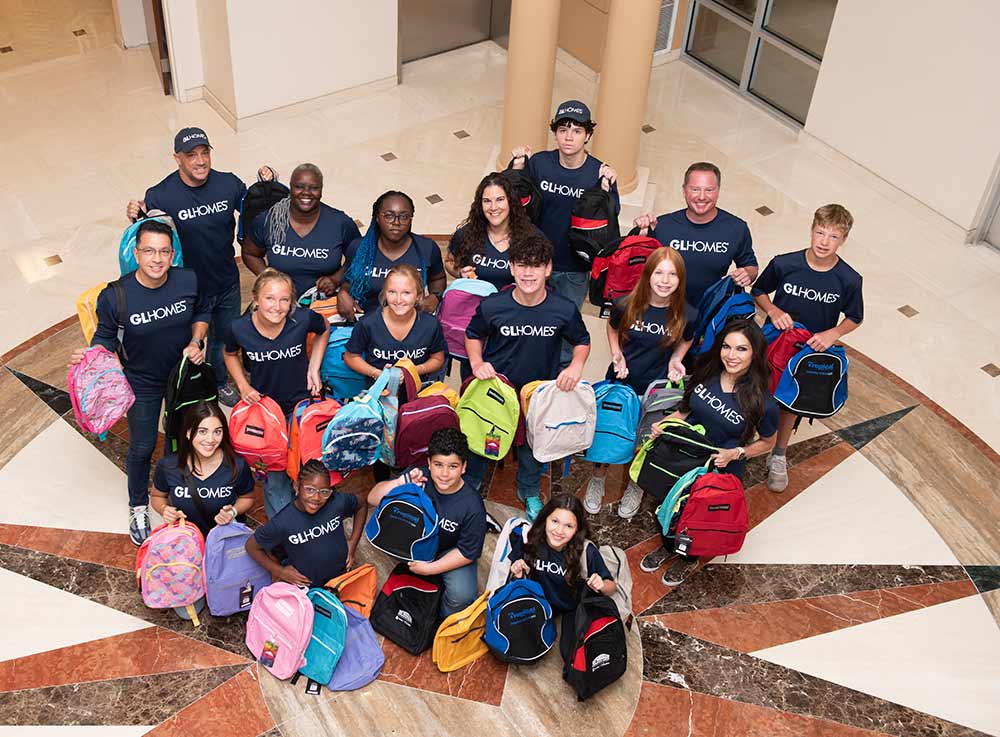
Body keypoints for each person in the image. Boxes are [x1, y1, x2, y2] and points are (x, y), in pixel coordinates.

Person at [69, 220, 209, 545]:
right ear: (136, 252)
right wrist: (90, 357)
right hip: (141, 381)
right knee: (143, 446)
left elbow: (202, 311)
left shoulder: (188, 280)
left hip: (182, 376)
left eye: (163, 251)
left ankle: (182, 492)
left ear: (173, 253)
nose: (157, 259)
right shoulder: (116, 295)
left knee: (183, 439)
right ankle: (138, 505)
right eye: (149, 251)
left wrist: (197, 341)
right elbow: (104, 337)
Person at [639, 319, 778, 586]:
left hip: (719, 470)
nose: (731, 355)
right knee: (669, 506)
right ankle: (668, 546)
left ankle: (688, 558)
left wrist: (736, 453)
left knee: (697, 516)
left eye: (741, 349)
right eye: (726, 346)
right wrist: (667, 424)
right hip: (683, 459)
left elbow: (768, 442)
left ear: (755, 353)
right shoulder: (706, 372)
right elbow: (685, 409)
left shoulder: (762, 402)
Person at [464, 233, 591, 521]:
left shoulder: (563, 309)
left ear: (548, 269)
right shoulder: (494, 305)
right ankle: (471, 482)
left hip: (538, 394)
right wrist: (477, 362)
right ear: (511, 268)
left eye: (536, 265)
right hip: (497, 392)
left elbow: (582, 340)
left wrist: (575, 366)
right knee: (485, 440)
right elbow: (473, 335)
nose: (528, 272)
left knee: (532, 447)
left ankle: (529, 490)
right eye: (521, 265)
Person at [126, 127, 251, 406]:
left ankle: (218, 382)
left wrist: (269, 186)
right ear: (177, 158)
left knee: (223, 339)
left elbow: (255, 210)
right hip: (186, 290)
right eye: (191, 155)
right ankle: (185, 388)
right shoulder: (161, 195)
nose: (200, 161)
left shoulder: (228, 184)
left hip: (226, 281)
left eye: (204, 153)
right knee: (186, 344)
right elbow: (149, 239)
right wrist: (135, 218)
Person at [751, 204, 863, 493]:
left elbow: (855, 317)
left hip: (808, 352)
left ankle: (778, 453)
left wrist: (834, 332)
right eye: (820, 233)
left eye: (833, 236)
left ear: (844, 240)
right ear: (811, 231)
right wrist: (773, 310)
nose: (824, 242)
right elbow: (759, 291)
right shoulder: (785, 263)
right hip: (774, 343)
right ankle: (740, 439)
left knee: (791, 402)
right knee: (755, 390)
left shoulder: (849, 279)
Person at [586, 247, 697, 517]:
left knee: (646, 439)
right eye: (659, 272)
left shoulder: (688, 314)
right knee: (608, 434)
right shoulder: (626, 304)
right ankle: (598, 478)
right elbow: (612, 326)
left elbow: (687, 338)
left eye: (672, 274)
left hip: (656, 392)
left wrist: (677, 358)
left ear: (680, 279)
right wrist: (616, 353)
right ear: (648, 274)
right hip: (622, 383)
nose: (664, 280)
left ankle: (635, 485)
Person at [510, 100, 619, 363]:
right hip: (536, 261)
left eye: (577, 130)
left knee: (564, 323)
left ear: (588, 135)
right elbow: (514, 196)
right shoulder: (539, 163)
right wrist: (516, 166)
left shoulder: (598, 172)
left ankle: (559, 378)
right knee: (528, 318)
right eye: (563, 129)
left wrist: (605, 190)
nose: (569, 136)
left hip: (574, 267)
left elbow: (611, 217)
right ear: (556, 132)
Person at [223, 268, 329, 519]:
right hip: (265, 414)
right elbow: (229, 354)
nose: (277, 306)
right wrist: (243, 386)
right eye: (270, 298)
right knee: (275, 478)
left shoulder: (301, 319)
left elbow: (323, 328)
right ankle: (284, 534)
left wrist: (314, 368)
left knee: (308, 466)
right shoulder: (238, 328)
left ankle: (312, 520)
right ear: (256, 299)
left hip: (300, 407)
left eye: (284, 300)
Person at [368, 428, 487, 617]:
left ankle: (434, 621)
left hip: (448, 550)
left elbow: (467, 552)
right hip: (414, 539)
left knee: (462, 595)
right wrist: (401, 483)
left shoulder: (473, 506)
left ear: (464, 467)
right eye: (438, 464)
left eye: (453, 466)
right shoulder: (419, 478)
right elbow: (372, 498)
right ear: (429, 463)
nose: (445, 474)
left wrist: (430, 569)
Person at [633, 162, 758, 307]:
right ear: (684, 190)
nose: (702, 197)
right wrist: (639, 235)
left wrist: (747, 274)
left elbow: (751, 267)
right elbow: (636, 266)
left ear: (718, 191)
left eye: (709, 190)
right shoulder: (662, 226)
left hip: (709, 311)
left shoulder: (736, 228)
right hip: (664, 309)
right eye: (695, 189)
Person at [241, 163, 361, 299]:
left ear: (321, 190)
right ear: (290, 188)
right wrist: (268, 277)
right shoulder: (269, 220)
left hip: (324, 306)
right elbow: (250, 253)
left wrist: (336, 279)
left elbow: (361, 257)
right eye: (299, 187)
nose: (306, 193)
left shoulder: (340, 223)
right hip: (280, 304)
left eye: (313, 188)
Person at [246, 459, 367, 587]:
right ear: (297, 486)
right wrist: (280, 571)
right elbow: (251, 547)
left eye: (324, 492)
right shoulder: (283, 521)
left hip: (341, 577)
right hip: (310, 587)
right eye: (310, 490)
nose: (316, 498)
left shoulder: (336, 503)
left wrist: (353, 543)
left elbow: (361, 504)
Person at [150, 401, 255, 537]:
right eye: (202, 431)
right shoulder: (168, 465)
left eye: (217, 431)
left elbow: (247, 497)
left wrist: (233, 512)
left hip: (223, 541)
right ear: (188, 433)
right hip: (186, 542)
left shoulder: (237, 465)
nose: (210, 439)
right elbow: (157, 495)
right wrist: (164, 509)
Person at [337, 191, 446, 320]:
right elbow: (348, 280)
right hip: (364, 322)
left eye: (404, 216)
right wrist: (343, 293)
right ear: (377, 218)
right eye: (389, 216)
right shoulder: (359, 248)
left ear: (411, 218)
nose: (396, 222)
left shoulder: (426, 248)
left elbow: (437, 278)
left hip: (411, 325)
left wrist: (435, 297)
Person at [508, 494, 617, 614]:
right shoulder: (530, 538)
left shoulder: (586, 551)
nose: (559, 531)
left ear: (577, 529)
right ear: (545, 519)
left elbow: (611, 588)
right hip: (536, 604)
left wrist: (601, 585)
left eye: (569, 526)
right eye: (555, 521)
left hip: (571, 612)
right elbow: (517, 570)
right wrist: (518, 572)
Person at [344, 264, 447, 380]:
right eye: (392, 292)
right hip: (378, 393)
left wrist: (414, 370)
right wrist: (376, 373)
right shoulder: (368, 323)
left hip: (418, 393)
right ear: (385, 293)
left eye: (406, 293)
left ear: (418, 296)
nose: (398, 300)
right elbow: (350, 357)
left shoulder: (430, 325)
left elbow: (438, 359)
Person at [446, 172, 535, 289]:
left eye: (500, 199)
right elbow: (449, 261)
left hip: (514, 305)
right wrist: (460, 273)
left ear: (511, 201)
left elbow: (546, 272)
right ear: (480, 204)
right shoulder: (466, 234)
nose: (493, 207)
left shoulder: (531, 237)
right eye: (487, 201)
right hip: (476, 304)